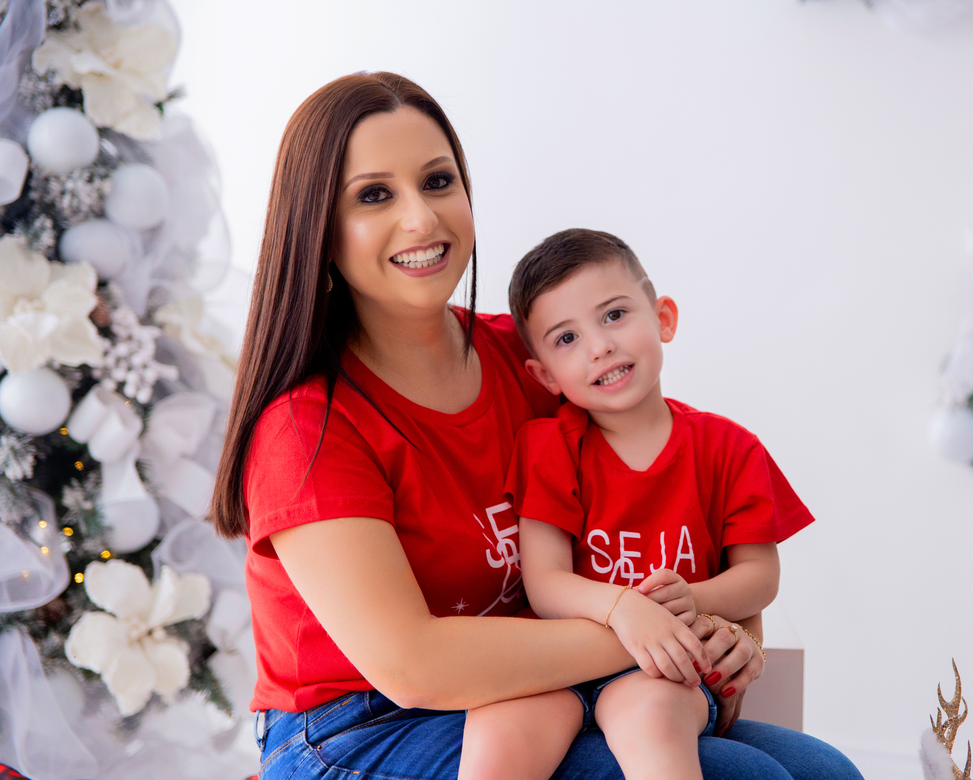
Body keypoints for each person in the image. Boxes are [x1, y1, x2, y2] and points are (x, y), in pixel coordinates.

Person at [210, 70, 864, 780]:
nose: (423, 220)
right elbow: (413, 666)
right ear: (319, 232)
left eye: (438, 182)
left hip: (547, 685)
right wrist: (652, 630)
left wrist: (735, 631)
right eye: (374, 195)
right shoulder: (305, 426)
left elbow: (669, 505)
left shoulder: (534, 359)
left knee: (826, 772)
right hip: (358, 727)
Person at [457, 229, 814, 780]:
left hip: (664, 666)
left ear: (663, 318)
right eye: (566, 338)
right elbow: (546, 584)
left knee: (650, 721)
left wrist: (688, 599)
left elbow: (760, 575)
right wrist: (625, 608)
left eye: (614, 315)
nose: (599, 345)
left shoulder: (728, 447)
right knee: (500, 731)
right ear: (545, 376)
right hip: (559, 660)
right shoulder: (548, 447)